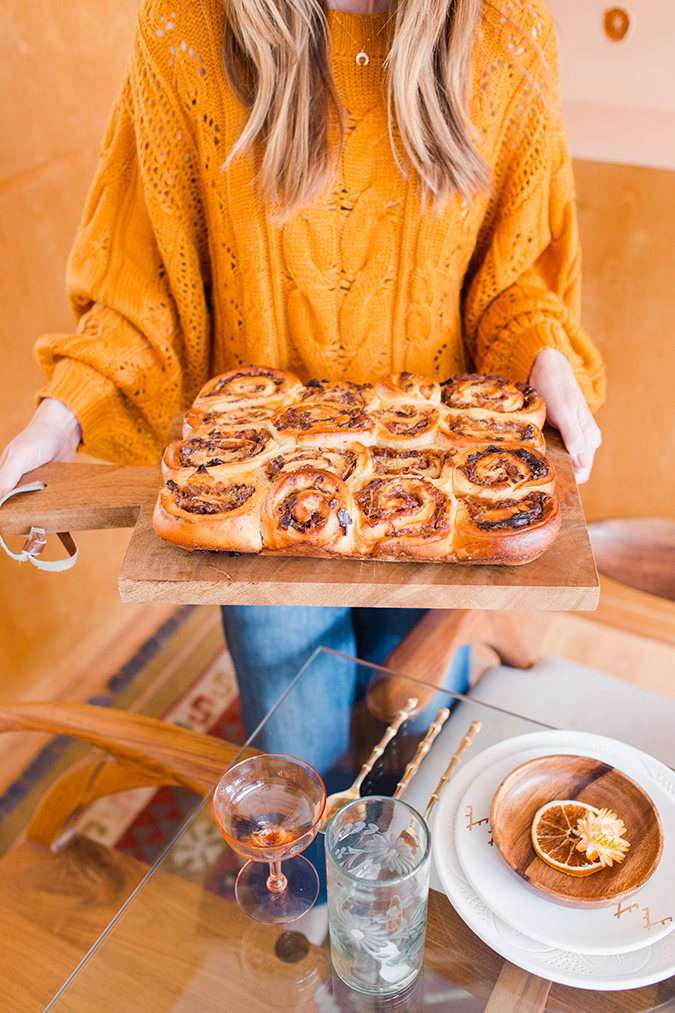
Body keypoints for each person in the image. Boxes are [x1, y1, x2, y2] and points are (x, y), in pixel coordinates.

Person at [0, 0, 604, 772]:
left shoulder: (505, 25)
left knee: (415, 765)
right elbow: (147, 274)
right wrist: (66, 409)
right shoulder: (184, 26)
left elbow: (511, 279)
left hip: (441, 499)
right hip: (257, 509)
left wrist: (540, 353)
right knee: (294, 776)